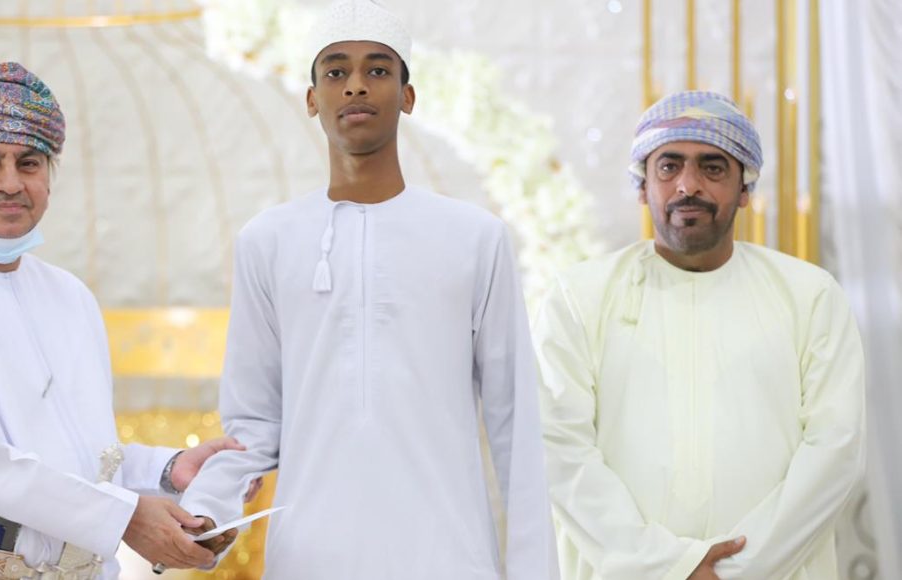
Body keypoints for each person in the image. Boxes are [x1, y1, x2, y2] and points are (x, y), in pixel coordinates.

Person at [174, 2, 557, 578]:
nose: (355, 85)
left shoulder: (475, 237)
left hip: (448, 556)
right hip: (309, 558)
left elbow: (517, 428)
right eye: (336, 71)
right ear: (312, 99)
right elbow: (253, 422)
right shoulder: (267, 241)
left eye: (378, 70)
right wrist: (207, 510)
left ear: (408, 96)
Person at [0, 62, 250, 579]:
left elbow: (83, 457)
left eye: (29, 163)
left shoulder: (70, 296)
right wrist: (123, 518)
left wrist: (169, 469)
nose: (11, 183)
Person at [535, 90, 865, 580]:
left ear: (745, 188)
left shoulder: (810, 296)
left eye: (713, 168)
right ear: (643, 186)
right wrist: (668, 567)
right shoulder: (578, 298)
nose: (688, 186)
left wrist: (737, 571)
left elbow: (834, 450)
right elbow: (558, 449)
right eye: (669, 167)